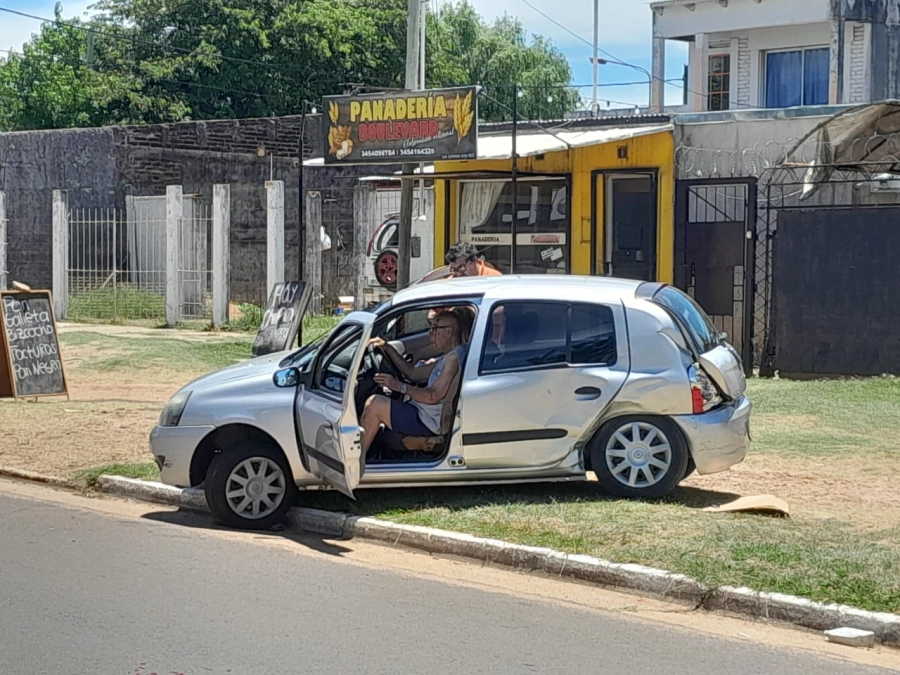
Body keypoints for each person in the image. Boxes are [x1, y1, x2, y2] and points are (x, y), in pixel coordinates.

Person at [359, 311, 467, 461]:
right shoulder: (450, 356)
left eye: (435, 329)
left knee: (374, 405)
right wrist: (387, 348)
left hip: (427, 420)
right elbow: (413, 373)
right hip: (422, 411)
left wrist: (398, 386)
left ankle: (356, 462)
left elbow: (433, 396)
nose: (430, 334)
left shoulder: (453, 359)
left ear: (448, 332)